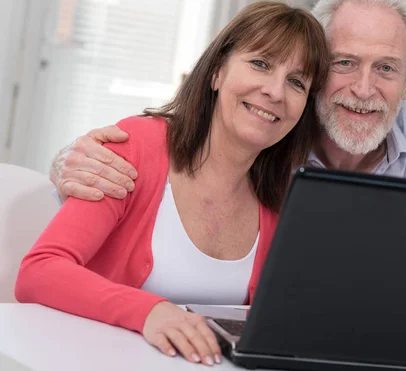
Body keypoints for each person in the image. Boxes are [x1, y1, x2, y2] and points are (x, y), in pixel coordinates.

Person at [45, 1, 406, 370]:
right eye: (345, 63)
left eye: (387, 69)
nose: (363, 88)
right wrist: (65, 162)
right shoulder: (267, 143)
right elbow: (170, 150)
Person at [14, 1, 330, 367]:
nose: (276, 92)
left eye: (296, 82)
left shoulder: (285, 199)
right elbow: (38, 271)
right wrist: (150, 312)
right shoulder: (135, 146)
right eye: (260, 63)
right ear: (217, 72)